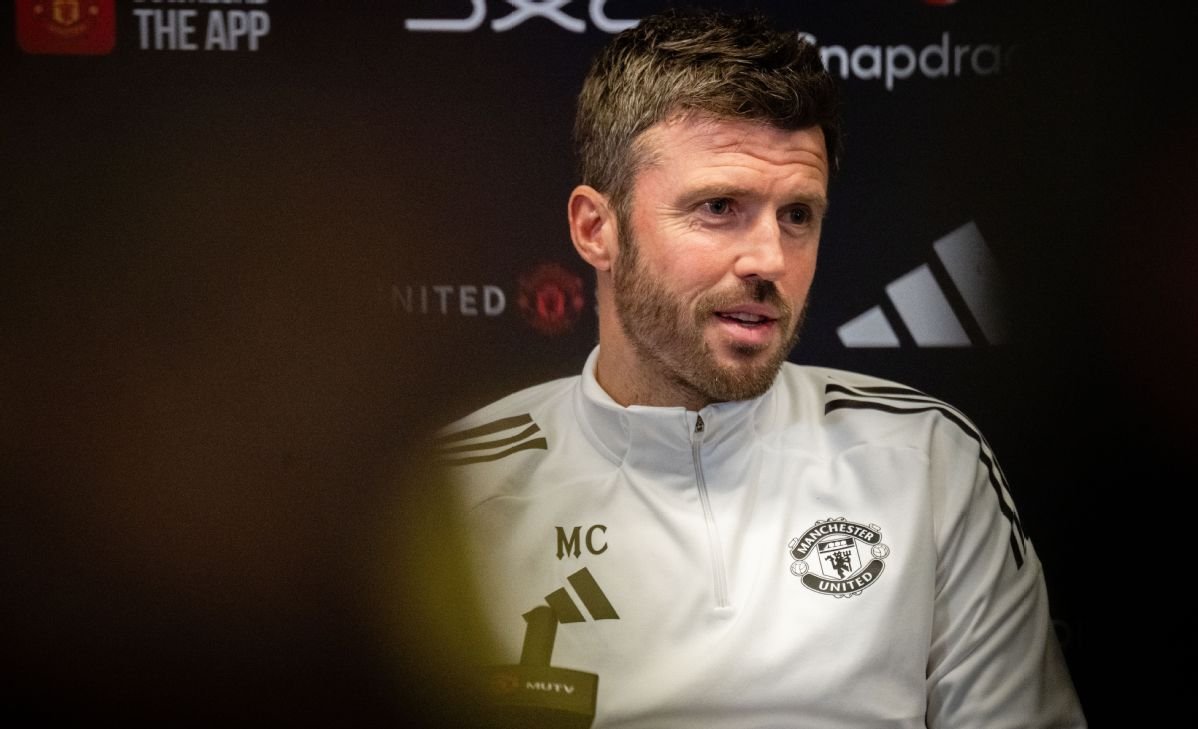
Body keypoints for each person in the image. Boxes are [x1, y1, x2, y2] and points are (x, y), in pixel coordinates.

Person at [427, 9, 1085, 728]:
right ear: (596, 228)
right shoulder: (452, 496)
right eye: (719, 207)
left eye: (797, 215)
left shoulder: (927, 459)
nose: (770, 259)